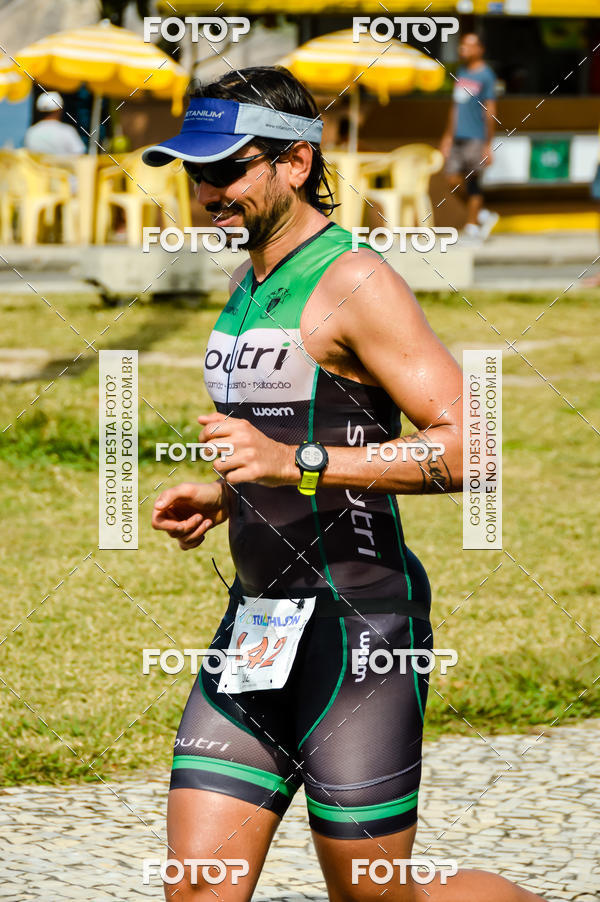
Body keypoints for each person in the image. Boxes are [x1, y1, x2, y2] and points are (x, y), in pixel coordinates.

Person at [145, 67, 547, 902]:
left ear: (295, 162)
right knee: (197, 888)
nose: (207, 191)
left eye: (228, 170)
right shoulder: (250, 280)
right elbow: (307, 433)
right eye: (195, 171)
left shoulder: (355, 282)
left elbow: (472, 449)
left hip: (360, 627)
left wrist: (293, 465)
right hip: (258, 623)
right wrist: (229, 494)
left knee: (373, 896)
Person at [440, 33, 499, 243]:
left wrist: (488, 144)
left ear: (480, 49)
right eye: (462, 44)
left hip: (476, 137)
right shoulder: (462, 71)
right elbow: (456, 107)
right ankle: (481, 213)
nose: (463, 48)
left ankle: (472, 225)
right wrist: (447, 136)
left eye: (469, 45)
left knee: (473, 182)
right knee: (452, 181)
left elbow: (490, 110)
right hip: (457, 137)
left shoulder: (486, 75)